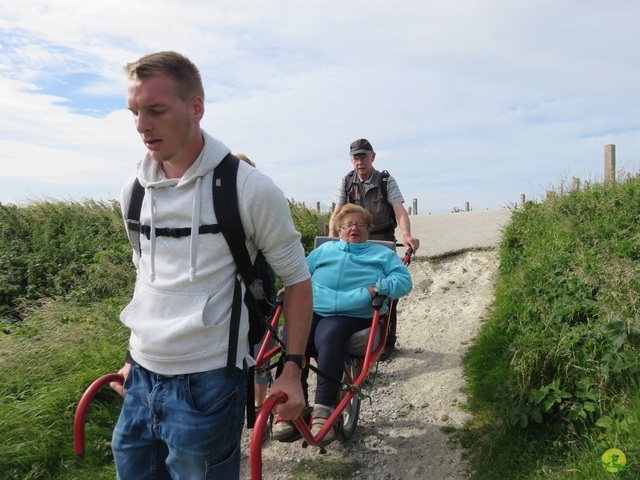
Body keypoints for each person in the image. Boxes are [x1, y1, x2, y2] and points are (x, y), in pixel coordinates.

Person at [109, 51, 312, 480]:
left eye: (156, 110)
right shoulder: (134, 190)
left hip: (209, 385)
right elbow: (145, 274)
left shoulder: (249, 189)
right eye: (135, 112)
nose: (142, 125)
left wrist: (291, 370)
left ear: (196, 107)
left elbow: (296, 280)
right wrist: (131, 356)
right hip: (141, 378)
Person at [272, 204, 412, 445]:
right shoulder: (324, 251)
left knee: (330, 333)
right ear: (338, 230)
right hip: (315, 306)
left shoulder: (382, 255)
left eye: (359, 224)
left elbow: (403, 281)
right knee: (295, 334)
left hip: (355, 312)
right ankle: (292, 405)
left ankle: (323, 410)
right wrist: (291, 287)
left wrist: (377, 288)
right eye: (347, 225)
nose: (353, 228)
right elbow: (301, 273)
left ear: (368, 230)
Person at [328, 138, 419, 350]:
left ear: (373, 157)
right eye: (356, 157)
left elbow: (399, 211)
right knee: (351, 283)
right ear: (351, 160)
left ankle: (386, 343)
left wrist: (406, 234)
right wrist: (332, 239)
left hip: (381, 239)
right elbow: (337, 214)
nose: (360, 162)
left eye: (363, 157)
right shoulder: (346, 181)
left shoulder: (386, 181)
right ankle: (356, 339)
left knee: (386, 292)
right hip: (353, 240)